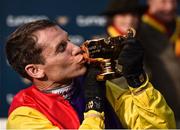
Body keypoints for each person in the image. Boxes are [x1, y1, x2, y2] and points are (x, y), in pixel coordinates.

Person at [6, 19, 175, 129]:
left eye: (69, 40)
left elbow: (161, 127)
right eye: (62, 48)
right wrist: (94, 106)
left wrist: (137, 81)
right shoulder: (24, 115)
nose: (77, 48)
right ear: (35, 70)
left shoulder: (95, 84)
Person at [138, 0, 180, 121]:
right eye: (163, 1)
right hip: (161, 118)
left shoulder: (177, 25)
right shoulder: (139, 31)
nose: (170, 7)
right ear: (150, 1)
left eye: (173, 1)